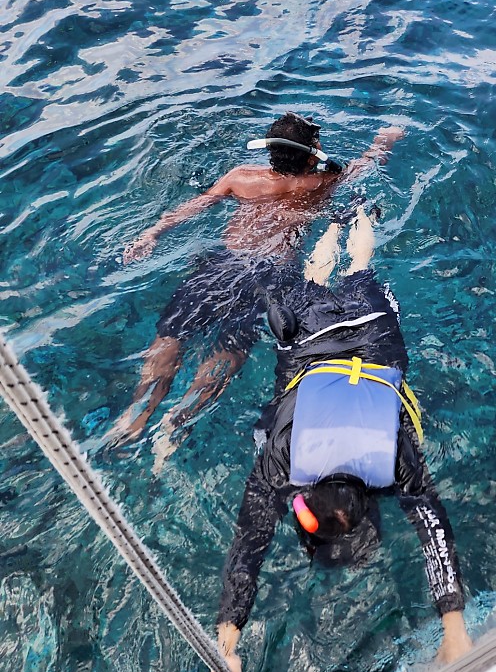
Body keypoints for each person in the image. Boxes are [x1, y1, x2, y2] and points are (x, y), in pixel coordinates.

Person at [207, 207, 472, 672]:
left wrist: (456, 630)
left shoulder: (388, 457)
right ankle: (340, 222)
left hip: (375, 337)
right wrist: (226, 640)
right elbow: (250, 539)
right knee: (321, 276)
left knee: (358, 270)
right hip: (313, 339)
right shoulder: (287, 459)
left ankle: (342, 222)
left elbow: (251, 544)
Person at [109, 113, 404, 469]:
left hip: (223, 263)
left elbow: (193, 207)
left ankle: (135, 415)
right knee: (230, 345)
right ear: (311, 154)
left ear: (270, 152)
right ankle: (178, 421)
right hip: (270, 273)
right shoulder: (323, 182)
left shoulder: (241, 178)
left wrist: (151, 233)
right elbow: (369, 164)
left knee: (172, 333)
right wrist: (384, 139)